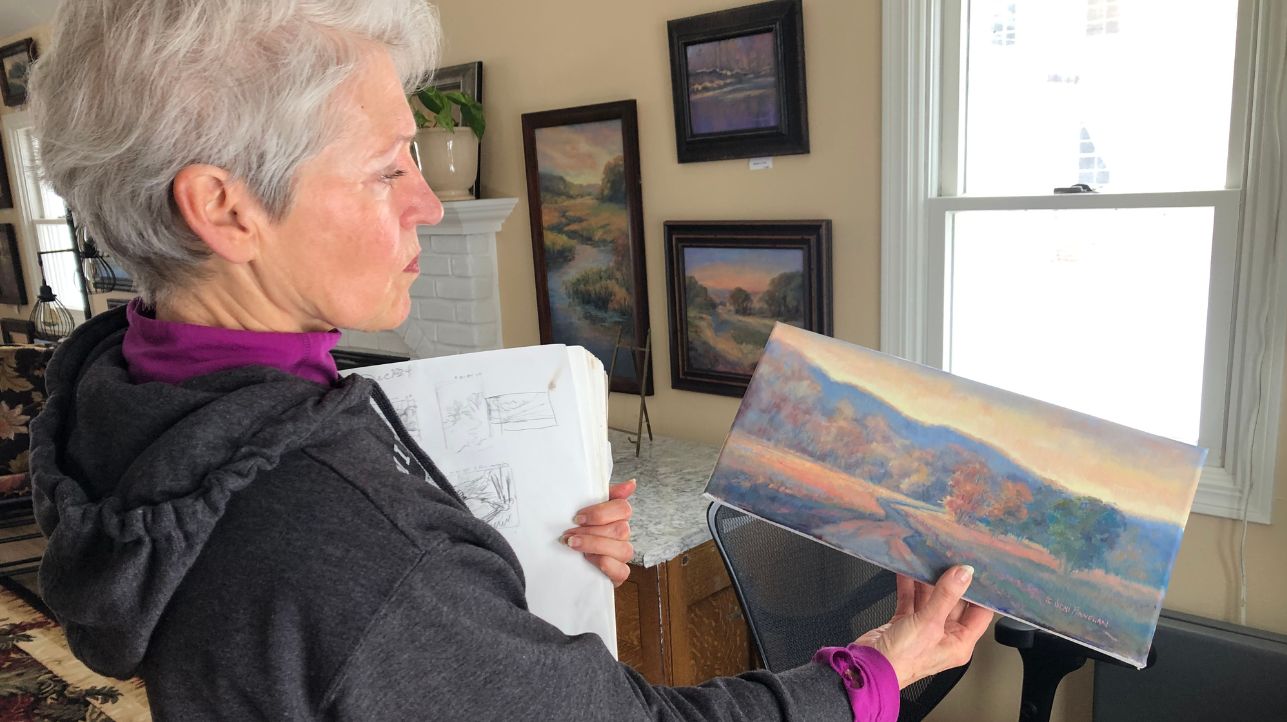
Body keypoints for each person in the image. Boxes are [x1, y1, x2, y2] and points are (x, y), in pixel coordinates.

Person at [27, 1, 993, 719]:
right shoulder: (350, 547)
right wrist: (880, 667)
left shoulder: (115, 384)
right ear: (225, 207)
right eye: (386, 167)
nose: (429, 203)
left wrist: (509, 556)